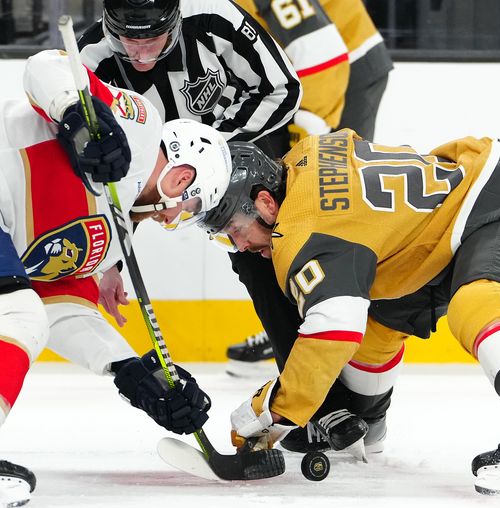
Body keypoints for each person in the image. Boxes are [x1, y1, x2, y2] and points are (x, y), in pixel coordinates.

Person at [0, 72, 231, 505]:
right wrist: (77, 114)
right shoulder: (140, 124)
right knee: (14, 314)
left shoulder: (111, 233)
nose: (173, 220)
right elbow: (49, 64)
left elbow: (61, 306)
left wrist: (131, 371)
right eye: (189, 209)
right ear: (182, 178)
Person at [199, 129, 500, 495]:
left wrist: (275, 407)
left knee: (477, 302)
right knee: (374, 334)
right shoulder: (303, 157)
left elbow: (332, 331)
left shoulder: (302, 233)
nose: (239, 245)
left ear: (266, 202)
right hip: (435, 237)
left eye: (234, 229)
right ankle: (367, 427)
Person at [23, 0, 303, 384]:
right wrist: (111, 263)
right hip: (160, 168)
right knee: (250, 257)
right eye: (127, 39)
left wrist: (212, 147)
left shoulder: (213, 16)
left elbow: (283, 89)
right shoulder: (92, 57)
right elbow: (112, 178)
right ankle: (306, 390)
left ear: (174, 20)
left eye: (152, 39)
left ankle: (318, 387)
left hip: (242, 152)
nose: (139, 53)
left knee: (273, 253)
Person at [225, 0, 394, 377]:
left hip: (343, 66)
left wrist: (312, 133)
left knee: (327, 203)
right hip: (305, 76)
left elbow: (319, 50)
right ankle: (309, 318)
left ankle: (332, 325)